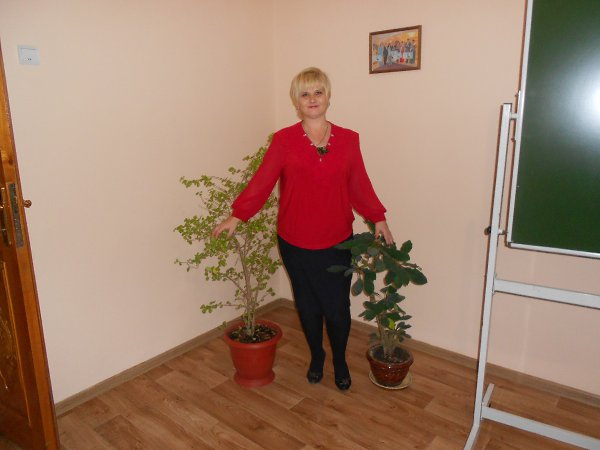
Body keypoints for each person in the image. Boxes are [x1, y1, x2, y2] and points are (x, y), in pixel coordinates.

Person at [213, 67, 393, 391]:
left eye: (318, 92)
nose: (312, 99)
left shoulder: (349, 140)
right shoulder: (283, 140)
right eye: (305, 94)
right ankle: (316, 357)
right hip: (295, 241)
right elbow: (262, 182)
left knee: (337, 310)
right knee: (308, 307)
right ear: (296, 102)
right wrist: (237, 216)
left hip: (337, 241)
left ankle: (339, 360)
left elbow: (359, 184)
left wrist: (378, 218)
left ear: (328, 96)